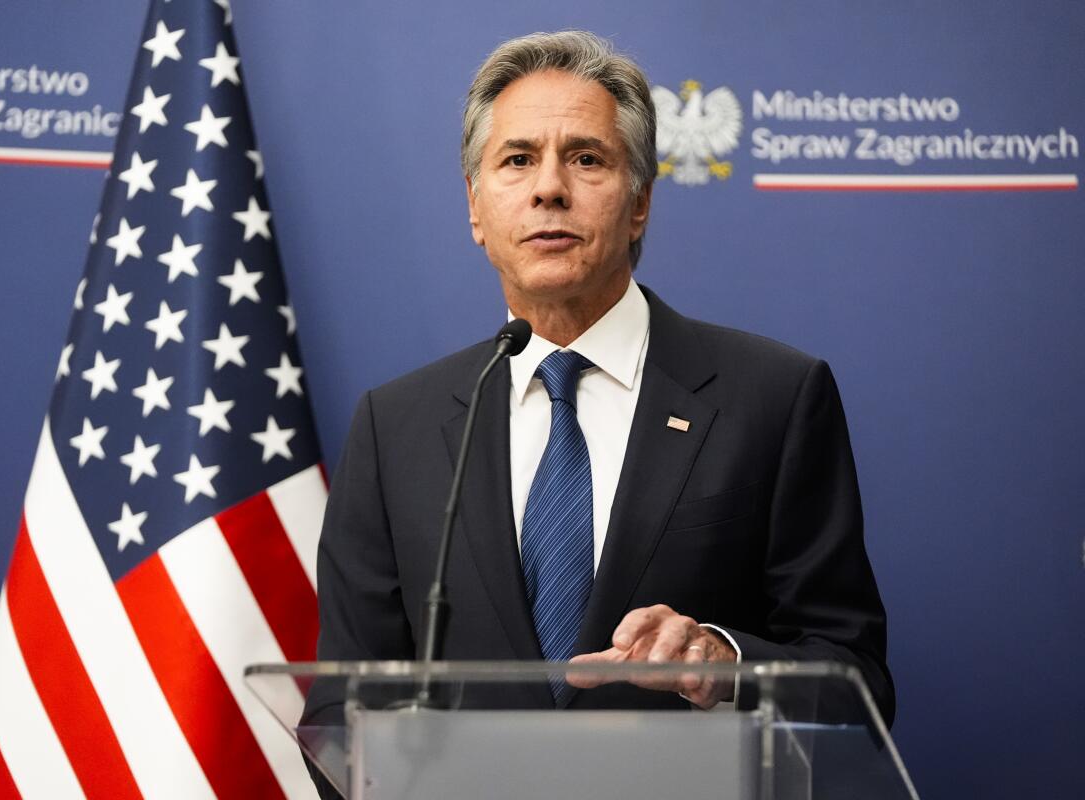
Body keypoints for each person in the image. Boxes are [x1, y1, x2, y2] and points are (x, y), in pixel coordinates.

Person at [309, 30, 893, 724]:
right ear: (475, 205)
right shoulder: (394, 427)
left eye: (586, 159)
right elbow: (341, 709)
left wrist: (724, 662)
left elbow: (856, 683)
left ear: (639, 199)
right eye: (518, 160)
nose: (549, 189)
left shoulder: (773, 398)